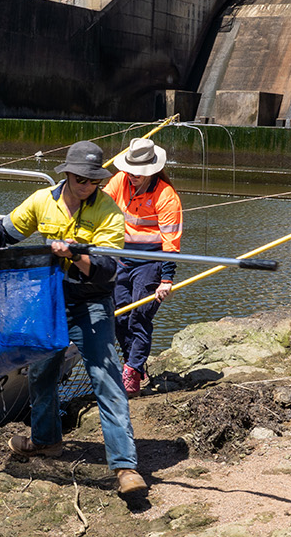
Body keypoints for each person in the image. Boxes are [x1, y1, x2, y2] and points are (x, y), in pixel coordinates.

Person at [0, 140, 147, 496]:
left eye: (93, 181)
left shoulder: (108, 212)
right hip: (48, 302)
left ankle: (125, 467)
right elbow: (4, 231)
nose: (87, 185)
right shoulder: (42, 200)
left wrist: (75, 254)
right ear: (68, 174)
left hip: (89, 303)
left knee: (105, 377)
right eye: (81, 179)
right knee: (41, 371)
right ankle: (46, 440)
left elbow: (106, 271)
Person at [103, 138, 183, 398]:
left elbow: (171, 242)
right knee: (118, 315)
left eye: (139, 172)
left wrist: (166, 280)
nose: (133, 175)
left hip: (151, 263)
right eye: (130, 169)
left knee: (140, 317)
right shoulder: (120, 180)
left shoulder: (166, 196)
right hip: (121, 258)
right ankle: (135, 364)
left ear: (151, 170)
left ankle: (132, 371)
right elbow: (99, 205)